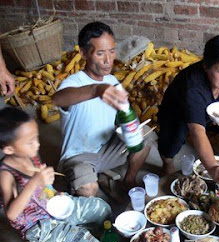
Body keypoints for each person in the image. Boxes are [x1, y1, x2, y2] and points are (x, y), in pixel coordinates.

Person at [0, 107, 122, 242]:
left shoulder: (31, 155)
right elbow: (11, 214)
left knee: (100, 207)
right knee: (83, 240)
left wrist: (56, 193)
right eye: (30, 142)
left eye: (37, 137)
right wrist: (34, 183)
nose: (37, 144)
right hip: (37, 225)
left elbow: (45, 187)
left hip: (52, 205)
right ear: (9, 149)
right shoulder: (6, 174)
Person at [52, 22, 150, 197]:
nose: (108, 60)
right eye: (100, 53)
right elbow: (57, 99)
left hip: (106, 149)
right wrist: (96, 90)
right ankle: (75, 181)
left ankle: (128, 179)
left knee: (145, 137)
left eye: (112, 51)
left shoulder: (112, 81)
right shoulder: (75, 83)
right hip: (79, 156)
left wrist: (132, 126)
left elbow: (124, 116)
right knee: (89, 188)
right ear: (83, 53)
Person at [157, 34, 219, 186]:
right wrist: (212, 167)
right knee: (173, 139)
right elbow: (197, 131)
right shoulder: (193, 86)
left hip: (208, 111)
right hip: (177, 112)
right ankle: (167, 163)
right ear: (206, 66)